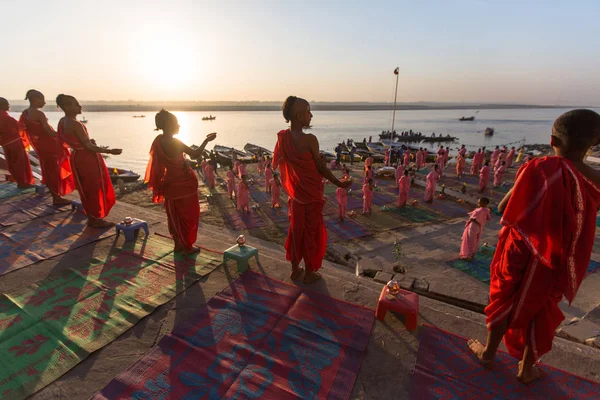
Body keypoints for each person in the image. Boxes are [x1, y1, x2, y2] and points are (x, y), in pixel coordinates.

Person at [468, 109, 600, 384]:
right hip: (559, 256)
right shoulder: (596, 179)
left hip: (522, 248)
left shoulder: (540, 168)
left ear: (552, 140)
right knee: (542, 307)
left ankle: (489, 354)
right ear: (594, 142)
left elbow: (506, 209)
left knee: (505, 297)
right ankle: (527, 369)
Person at [273, 96, 351, 284]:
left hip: (297, 195)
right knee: (311, 233)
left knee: (296, 230)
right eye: (308, 111)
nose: (311, 115)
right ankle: (309, 272)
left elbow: (278, 161)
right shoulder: (310, 139)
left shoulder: (283, 137)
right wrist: (339, 183)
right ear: (300, 116)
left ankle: (294, 269)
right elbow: (320, 168)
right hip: (311, 195)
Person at [145, 110, 216, 252]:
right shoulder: (174, 142)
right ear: (168, 124)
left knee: (175, 216)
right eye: (176, 123)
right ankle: (186, 246)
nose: (179, 125)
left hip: (170, 184)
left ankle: (179, 244)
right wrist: (206, 141)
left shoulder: (158, 141)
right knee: (188, 215)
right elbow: (195, 154)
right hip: (184, 184)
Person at [56, 94, 122, 228]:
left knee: (86, 188)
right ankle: (95, 218)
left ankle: (93, 216)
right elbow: (88, 146)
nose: (80, 107)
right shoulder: (75, 124)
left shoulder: (63, 121)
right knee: (93, 188)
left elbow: (76, 141)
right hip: (86, 158)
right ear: (67, 107)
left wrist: (87, 143)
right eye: (76, 104)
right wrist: (109, 151)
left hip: (76, 156)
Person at [20, 90, 75, 204]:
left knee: (48, 170)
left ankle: (55, 195)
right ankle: (57, 198)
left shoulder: (25, 113)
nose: (44, 102)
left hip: (40, 147)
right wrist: (65, 136)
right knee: (54, 171)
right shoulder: (39, 114)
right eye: (42, 100)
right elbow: (50, 132)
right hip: (50, 145)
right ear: (35, 100)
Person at [0, 98, 34, 188]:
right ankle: (23, 182)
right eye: (7, 104)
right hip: (15, 143)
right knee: (20, 163)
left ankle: (19, 180)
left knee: (12, 163)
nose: (8, 105)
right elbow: (19, 127)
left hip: (5, 144)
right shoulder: (6, 117)